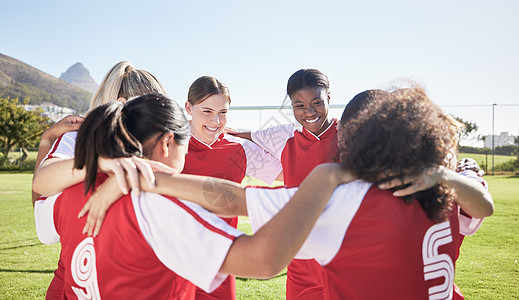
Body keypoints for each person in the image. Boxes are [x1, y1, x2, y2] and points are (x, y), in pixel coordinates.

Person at [80, 87, 493, 299]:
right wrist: (449, 177)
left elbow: (238, 202)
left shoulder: (345, 201)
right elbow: (483, 206)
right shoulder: (442, 187)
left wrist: (153, 178)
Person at [34, 93, 353, 299]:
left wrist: (48, 143)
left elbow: (42, 217)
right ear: (167, 143)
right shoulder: (160, 209)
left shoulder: (72, 193)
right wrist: (327, 176)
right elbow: (264, 260)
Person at [32, 61, 171, 300]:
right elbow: (46, 220)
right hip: (79, 285)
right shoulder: (77, 140)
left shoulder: (162, 147)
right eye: (155, 108)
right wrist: (97, 161)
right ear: (122, 105)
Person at [183, 75, 282, 299]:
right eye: (207, 111)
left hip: (221, 262)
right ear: (189, 108)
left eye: (223, 113)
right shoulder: (168, 143)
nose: (216, 121)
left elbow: (291, 174)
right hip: (175, 259)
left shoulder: (241, 148)